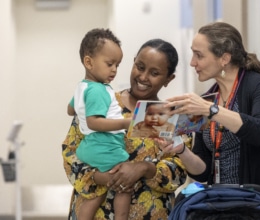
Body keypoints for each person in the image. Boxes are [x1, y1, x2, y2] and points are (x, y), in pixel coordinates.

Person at [158, 21, 260, 210]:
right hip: (221, 205)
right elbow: (202, 172)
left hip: (259, 206)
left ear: (224, 58)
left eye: (199, 55)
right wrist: (181, 150)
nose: (192, 63)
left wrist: (212, 111)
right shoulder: (208, 99)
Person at [62, 38, 189, 220]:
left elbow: (179, 171)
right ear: (133, 62)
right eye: (140, 66)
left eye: (154, 73)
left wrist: (144, 168)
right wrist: (101, 177)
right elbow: (69, 154)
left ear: (169, 79)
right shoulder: (101, 101)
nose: (143, 77)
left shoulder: (168, 117)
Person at [68, 28, 131, 220]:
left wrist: (81, 109)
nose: (114, 70)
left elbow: (70, 110)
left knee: (98, 192)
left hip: (89, 146)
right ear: (89, 62)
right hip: (105, 144)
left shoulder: (82, 86)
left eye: (117, 65)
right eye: (110, 64)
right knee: (125, 184)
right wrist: (127, 123)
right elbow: (94, 122)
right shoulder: (97, 90)